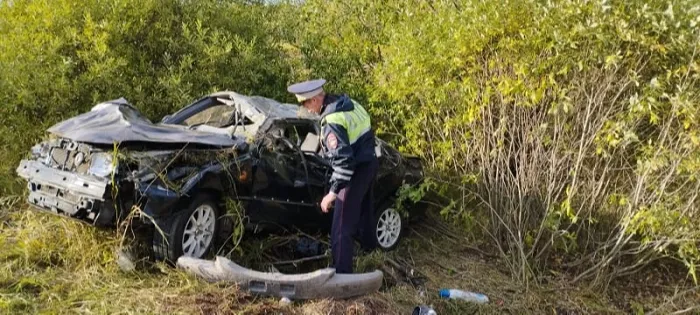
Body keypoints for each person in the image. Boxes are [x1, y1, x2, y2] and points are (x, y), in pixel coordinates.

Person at [287, 79, 379, 274]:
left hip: (353, 171)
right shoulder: (348, 103)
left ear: (314, 100)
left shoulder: (332, 121)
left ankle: (342, 274)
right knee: (365, 214)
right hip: (370, 162)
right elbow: (360, 136)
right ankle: (372, 256)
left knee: (341, 225)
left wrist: (333, 192)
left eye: (305, 104)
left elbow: (344, 162)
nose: (307, 109)